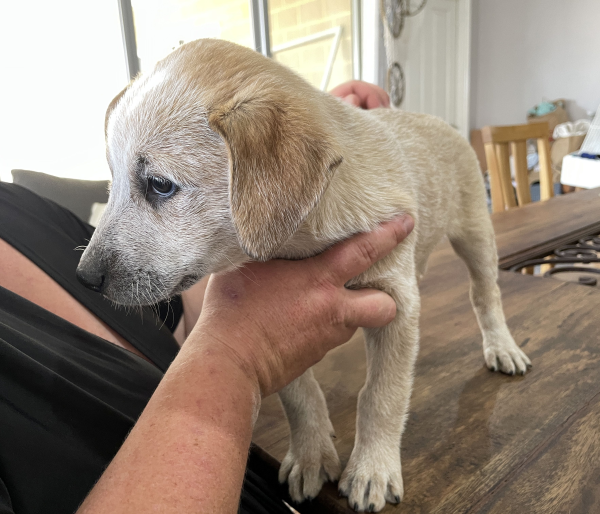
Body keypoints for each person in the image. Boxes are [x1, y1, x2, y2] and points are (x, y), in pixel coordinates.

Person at [0, 81, 410, 514]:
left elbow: (183, 311)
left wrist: (276, 166)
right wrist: (238, 355)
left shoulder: (14, 209)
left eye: (158, 184)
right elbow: (226, 323)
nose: (92, 261)